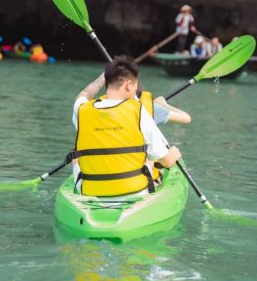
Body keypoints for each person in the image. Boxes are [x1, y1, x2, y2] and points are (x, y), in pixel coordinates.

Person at [71, 56, 182, 197]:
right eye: (135, 87)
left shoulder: (81, 110)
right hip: (134, 192)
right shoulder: (138, 110)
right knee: (153, 160)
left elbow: (84, 94)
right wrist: (173, 154)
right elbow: (166, 161)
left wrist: (102, 79)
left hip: (89, 191)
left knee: (75, 156)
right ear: (129, 85)